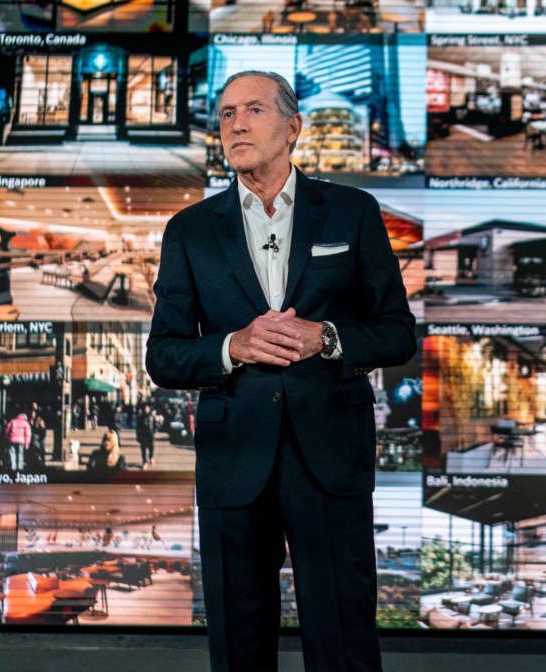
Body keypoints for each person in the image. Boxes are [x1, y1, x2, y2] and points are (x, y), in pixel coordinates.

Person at [145, 70, 415, 671]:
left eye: (254, 110)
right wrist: (232, 347)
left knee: (342, 640)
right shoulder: (189, 231)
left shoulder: (352, 212)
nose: (236, 123)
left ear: (293, 127)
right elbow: (163, 356)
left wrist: (329, 337)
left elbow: (398, 332)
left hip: (330, 460)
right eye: (225, 114)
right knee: (239, 649)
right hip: (233, 462)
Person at [136, 403, 157, 469]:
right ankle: (144, 462)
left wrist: (154, 432)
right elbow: (138, 428)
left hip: (150, 435)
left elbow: (155, 426)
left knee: (151, 448)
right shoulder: (140, 417)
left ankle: (151, 457)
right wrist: (138, 436)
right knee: (143, 449)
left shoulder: (152, 417)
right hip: (143, 435)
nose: (146, 409)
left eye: (147, 408)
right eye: (145, 408)